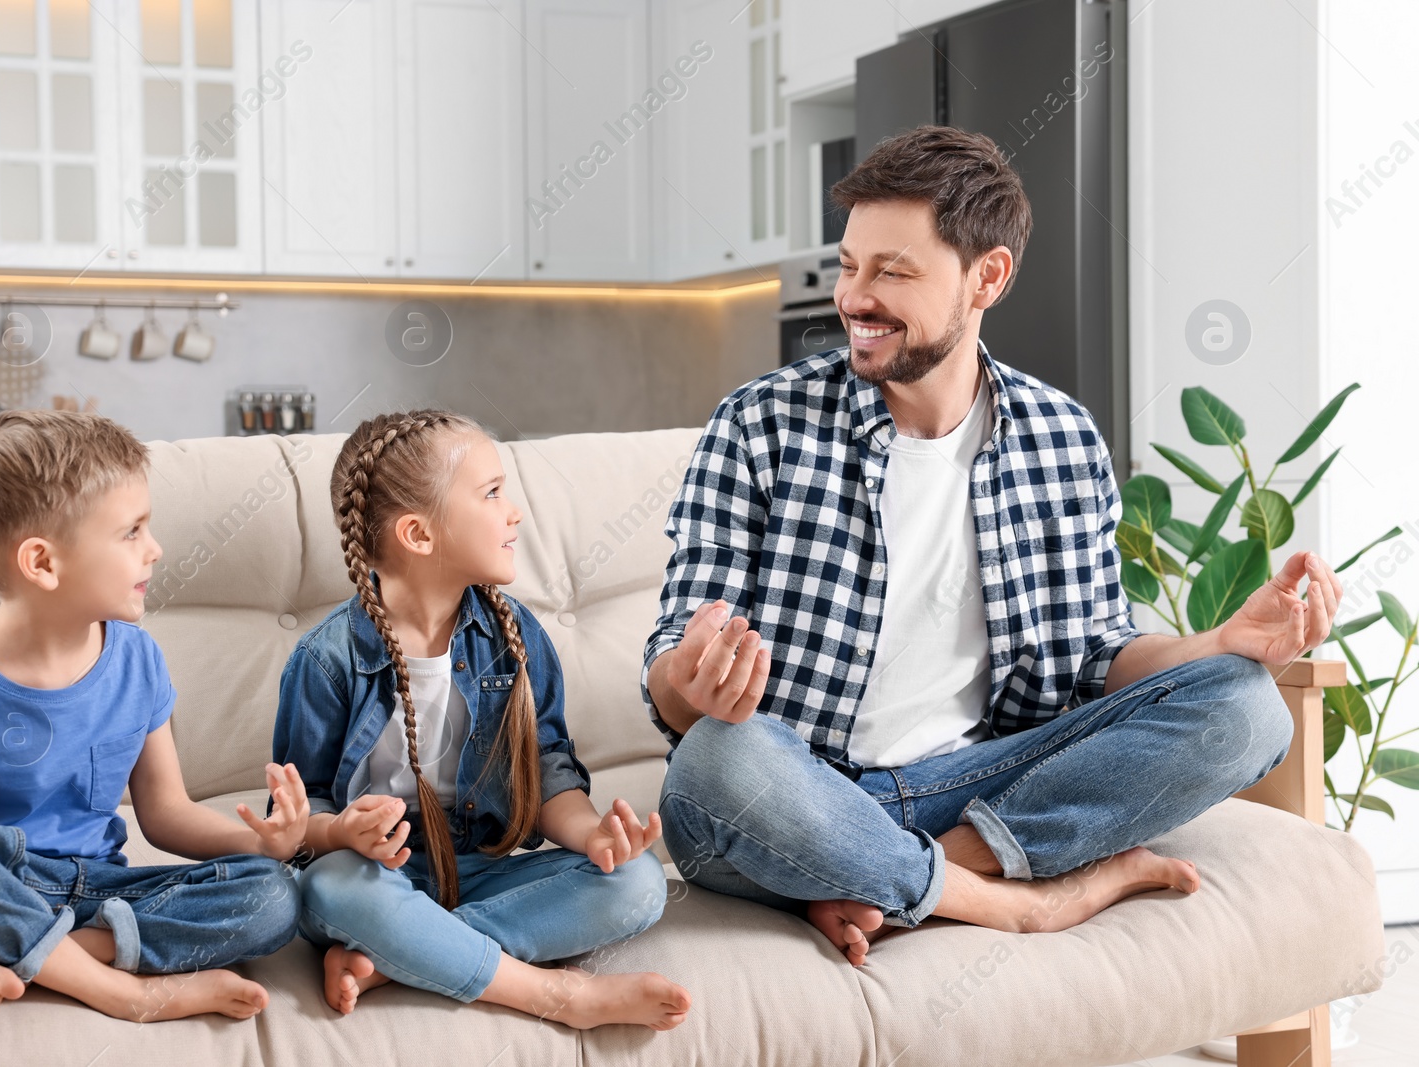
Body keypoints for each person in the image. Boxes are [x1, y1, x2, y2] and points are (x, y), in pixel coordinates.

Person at [643, 126, 1343, 965]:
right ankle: (1020, 903)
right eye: (848, 264)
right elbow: (673, 675)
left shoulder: (1062, 437)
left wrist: (1220, 643)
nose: (854, 298)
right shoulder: (759, 423)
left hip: (970, 790)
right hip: (793, 788)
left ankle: (903, 881)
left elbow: (1095, 655)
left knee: (1245, 704)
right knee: (718, 761)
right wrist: (687, 683)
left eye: (892, 271)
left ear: (988, 277)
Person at [0, 410, 308, 1026]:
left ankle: (2, 956)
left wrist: (263, 841)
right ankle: (117, 990)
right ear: (43, 563)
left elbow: (167, 815)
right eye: (131, 532)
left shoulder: (138, 658)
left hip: (101, 892)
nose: (156, 548)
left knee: (272, 897)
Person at [275, 409, 690, 1030]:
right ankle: (555, 996)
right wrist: (341, 835)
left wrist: (590, 836)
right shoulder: (327, 659)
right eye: (492, 493)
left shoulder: (515, 635)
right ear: (419, 535)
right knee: (332, 887)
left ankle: (400, 956)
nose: (515, 511)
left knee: (637, 883)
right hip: (376, 875)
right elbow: (298, 819)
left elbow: (549, 766)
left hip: (483, 867)